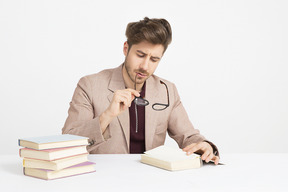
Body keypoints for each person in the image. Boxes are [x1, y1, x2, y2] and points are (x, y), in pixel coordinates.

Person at [62, 17, 220, 164]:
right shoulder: (89, 85)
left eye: (154, 59)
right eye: (140, 55)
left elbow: (189, 136)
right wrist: (106, 116)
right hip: (105, 178)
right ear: (126, 48)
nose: (145, 66)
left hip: (151, 179)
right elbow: (68, 144)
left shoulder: (167, 90)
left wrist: (204, 146)